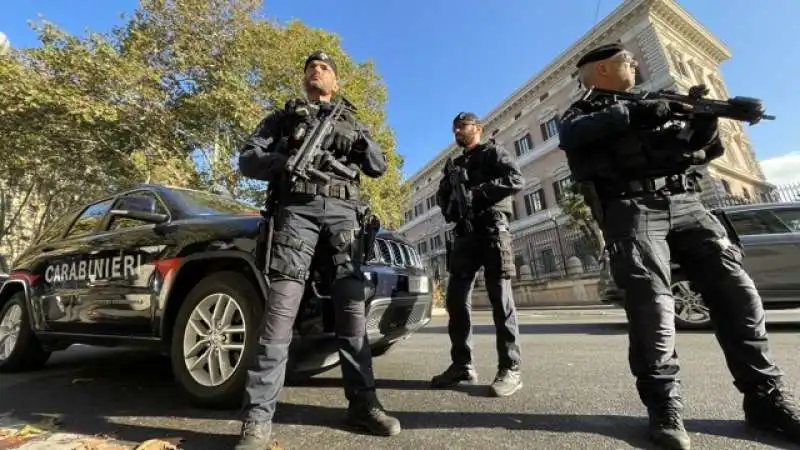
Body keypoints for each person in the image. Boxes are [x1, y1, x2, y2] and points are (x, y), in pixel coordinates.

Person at [559, 42, 800, 449]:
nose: (635, 63)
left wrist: (708, 118)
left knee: (738, 294)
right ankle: (664, 408)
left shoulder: (655, 101)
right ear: (601, 70)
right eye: (625, 61)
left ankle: (766, 400)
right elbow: (574, 136)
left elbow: (697, 149)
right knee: (652, 307)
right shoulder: (581, 111)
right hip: (631, 208)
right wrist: (636, 111)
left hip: (687, 203)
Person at [235, 50, 401, 449]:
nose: (316, 70)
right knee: (280, 311)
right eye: (311, 67)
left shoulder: (352, 119)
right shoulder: (284, 117)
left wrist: (358, 139)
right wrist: (283, 161)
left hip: (344, 216)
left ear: (336, 82)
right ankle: (258, 417)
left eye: (325, 68)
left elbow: (378, 166)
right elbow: (247, 158)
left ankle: (362, 404)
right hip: (297, 213)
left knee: (351, 311)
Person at [430, 111, 525, 397]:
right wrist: (451, 201)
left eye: (463, 126)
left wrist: (479, 193)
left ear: (478, 128)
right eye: (454, 127)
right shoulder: (454, 165)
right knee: (456, 301)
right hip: (463, 235)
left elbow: (515, 179)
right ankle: (462, 365)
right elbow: (442, 200)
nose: (458, 130)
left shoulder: (493, 152)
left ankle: (510, 368)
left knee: (501, 300)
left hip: (493, 230)